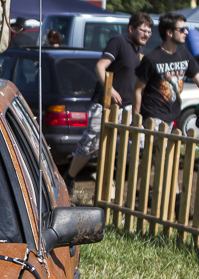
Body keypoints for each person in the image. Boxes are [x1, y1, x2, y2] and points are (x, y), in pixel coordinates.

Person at [134, 13, 199, 209]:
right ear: (169, 32)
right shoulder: (152, 58)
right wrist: (137, 120)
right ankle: (174, 199)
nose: (186, 33)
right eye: (182, 29)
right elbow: (138, 90)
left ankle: (141, 193)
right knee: (162, 158)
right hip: (153, 117)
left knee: (158, 159)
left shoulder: (184, 55)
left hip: (172, 117)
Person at [62, 12, 153, 197]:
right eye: (143, 30)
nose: (146, 35)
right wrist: (110, 90)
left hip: (126, 107)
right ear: (131, 29)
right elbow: (100, 67)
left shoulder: (138, 53)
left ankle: (131, 190)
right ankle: (69, 177)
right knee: (90, 146)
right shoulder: (119, 42)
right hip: (104, 105)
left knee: (138, 145)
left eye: (149, 32)